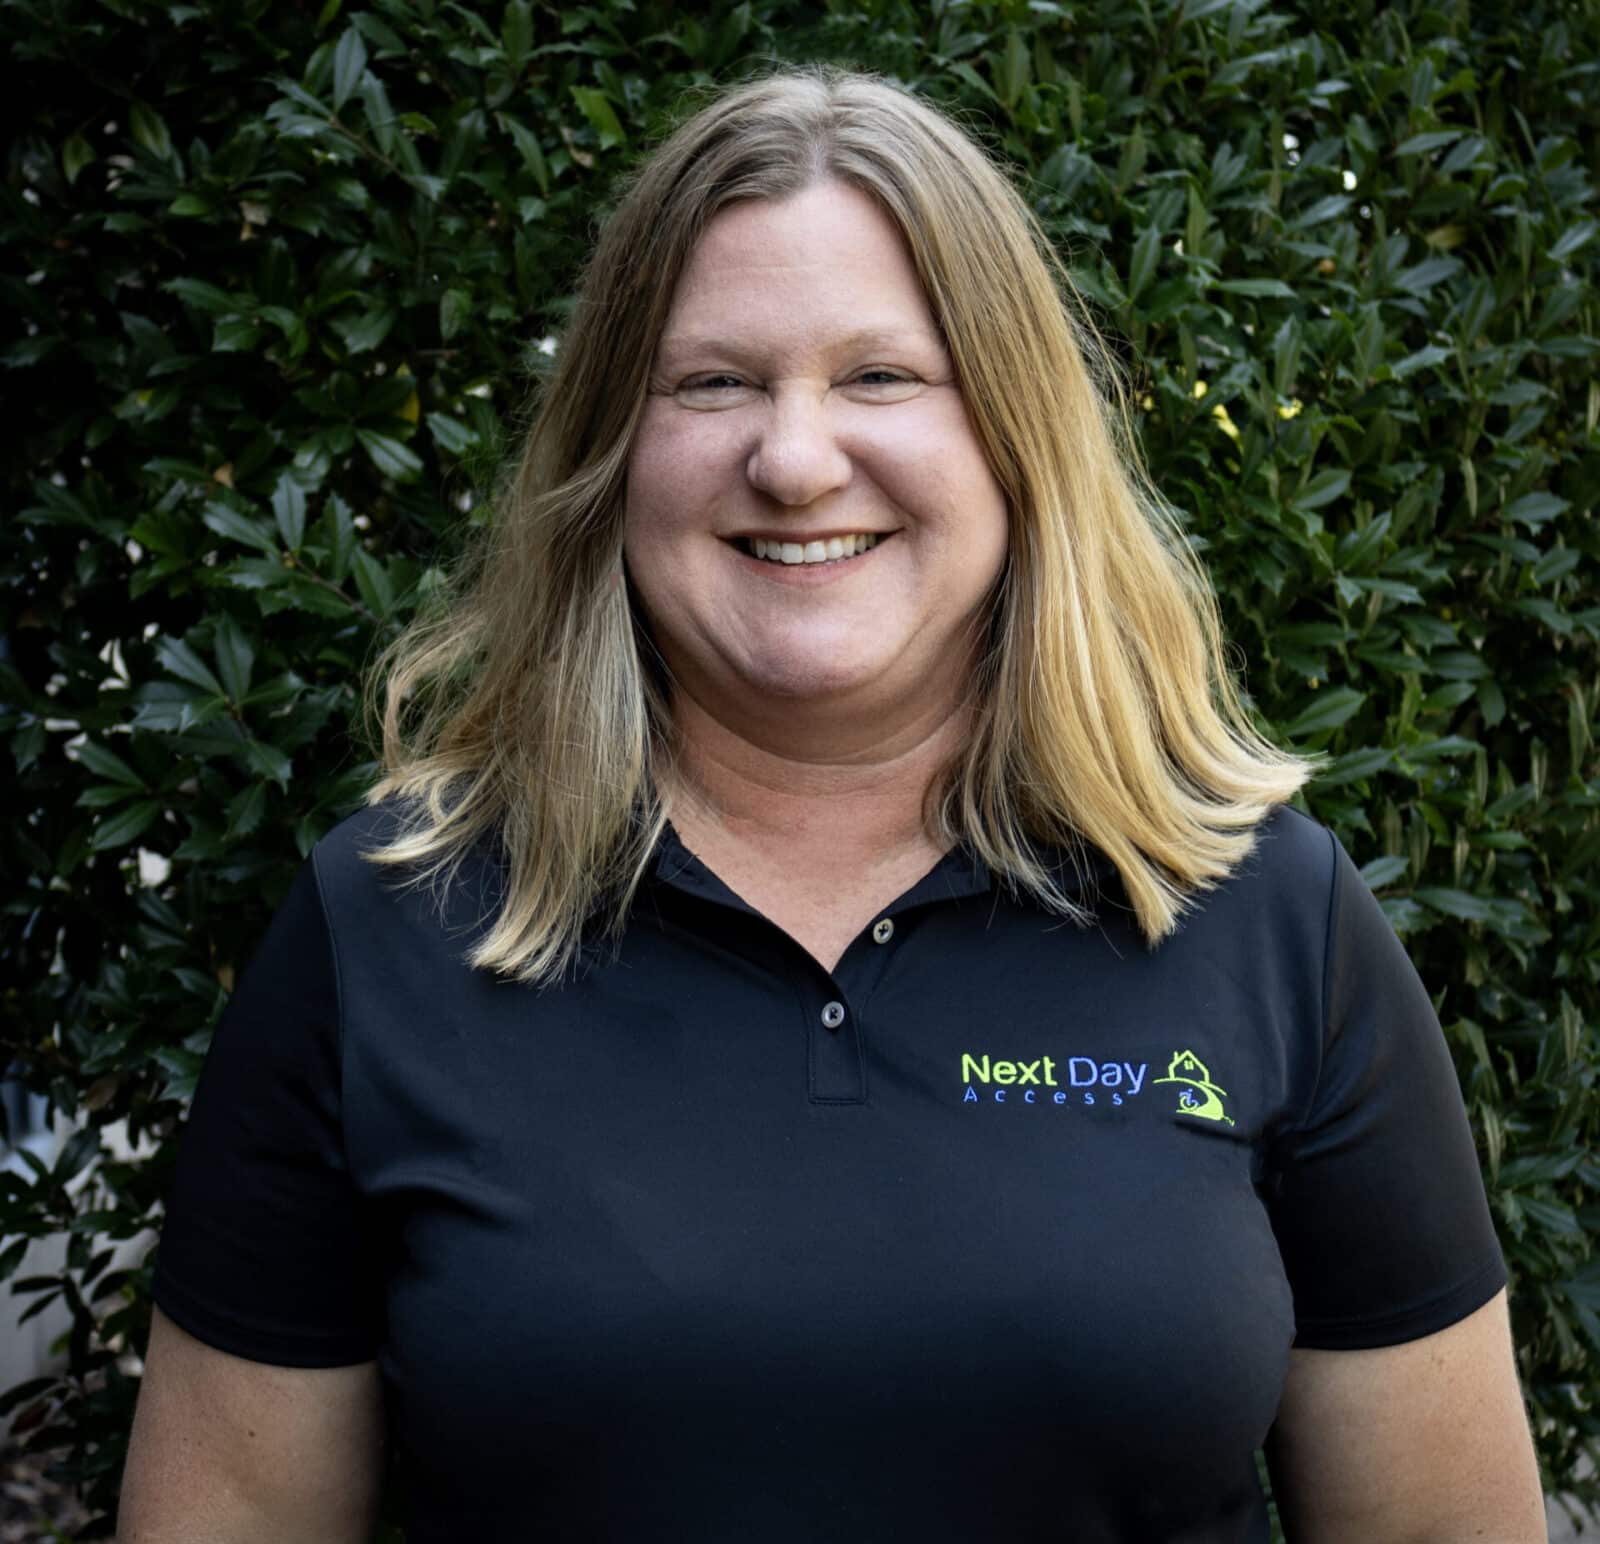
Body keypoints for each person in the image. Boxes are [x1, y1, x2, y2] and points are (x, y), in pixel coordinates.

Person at [118, 66, 1547, 1543]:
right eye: (713, 382)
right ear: (613, 455)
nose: (794, 461)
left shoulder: (1266, 916)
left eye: (881, 377)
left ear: (1014, 439)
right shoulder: (388, 929)